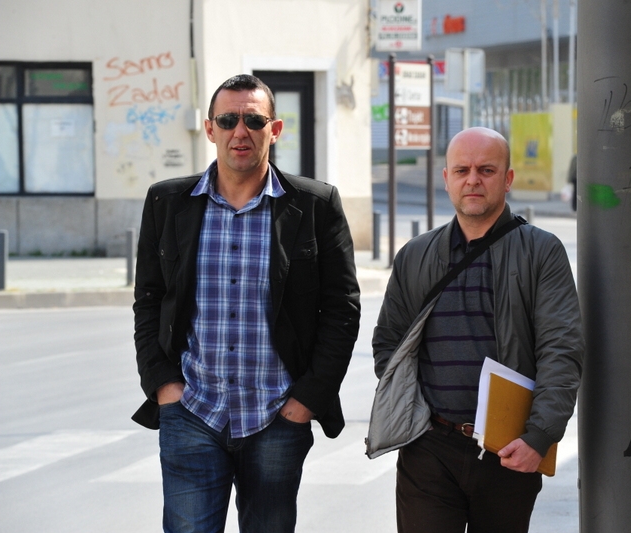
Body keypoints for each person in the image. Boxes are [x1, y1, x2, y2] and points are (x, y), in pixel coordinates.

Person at [131, 74, 361, 532]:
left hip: (277, 415)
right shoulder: (167, 202)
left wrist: (306, 401)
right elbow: (149, 301)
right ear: (210, 129)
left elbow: (342, 309)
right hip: (192, 411)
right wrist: (164, 387)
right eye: (228, 120)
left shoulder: (315, 205)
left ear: (274, 130)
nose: (241, 131)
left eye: (254, 120)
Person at [368, 127, 584, 533]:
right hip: (428, 447)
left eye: (486, 170)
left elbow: (562, 349)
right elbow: (389, 342)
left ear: (508, 178)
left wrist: (540, 436)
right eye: (462, 170)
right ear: (446, 178)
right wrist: (414, 412)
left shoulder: (542, 251)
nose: (473, 180)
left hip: (509, 447)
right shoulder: (415, 254)